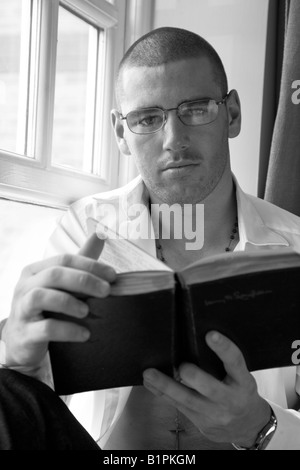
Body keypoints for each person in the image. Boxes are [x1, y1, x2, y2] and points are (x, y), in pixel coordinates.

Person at [1, 26, 300, 450]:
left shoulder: (296, 249)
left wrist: (261, 426)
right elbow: (38, 403)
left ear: (231, 114)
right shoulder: (84, 229)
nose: (174, 140)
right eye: (147, 119)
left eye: (196, 109)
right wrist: (19, 367)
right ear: (121, 133)